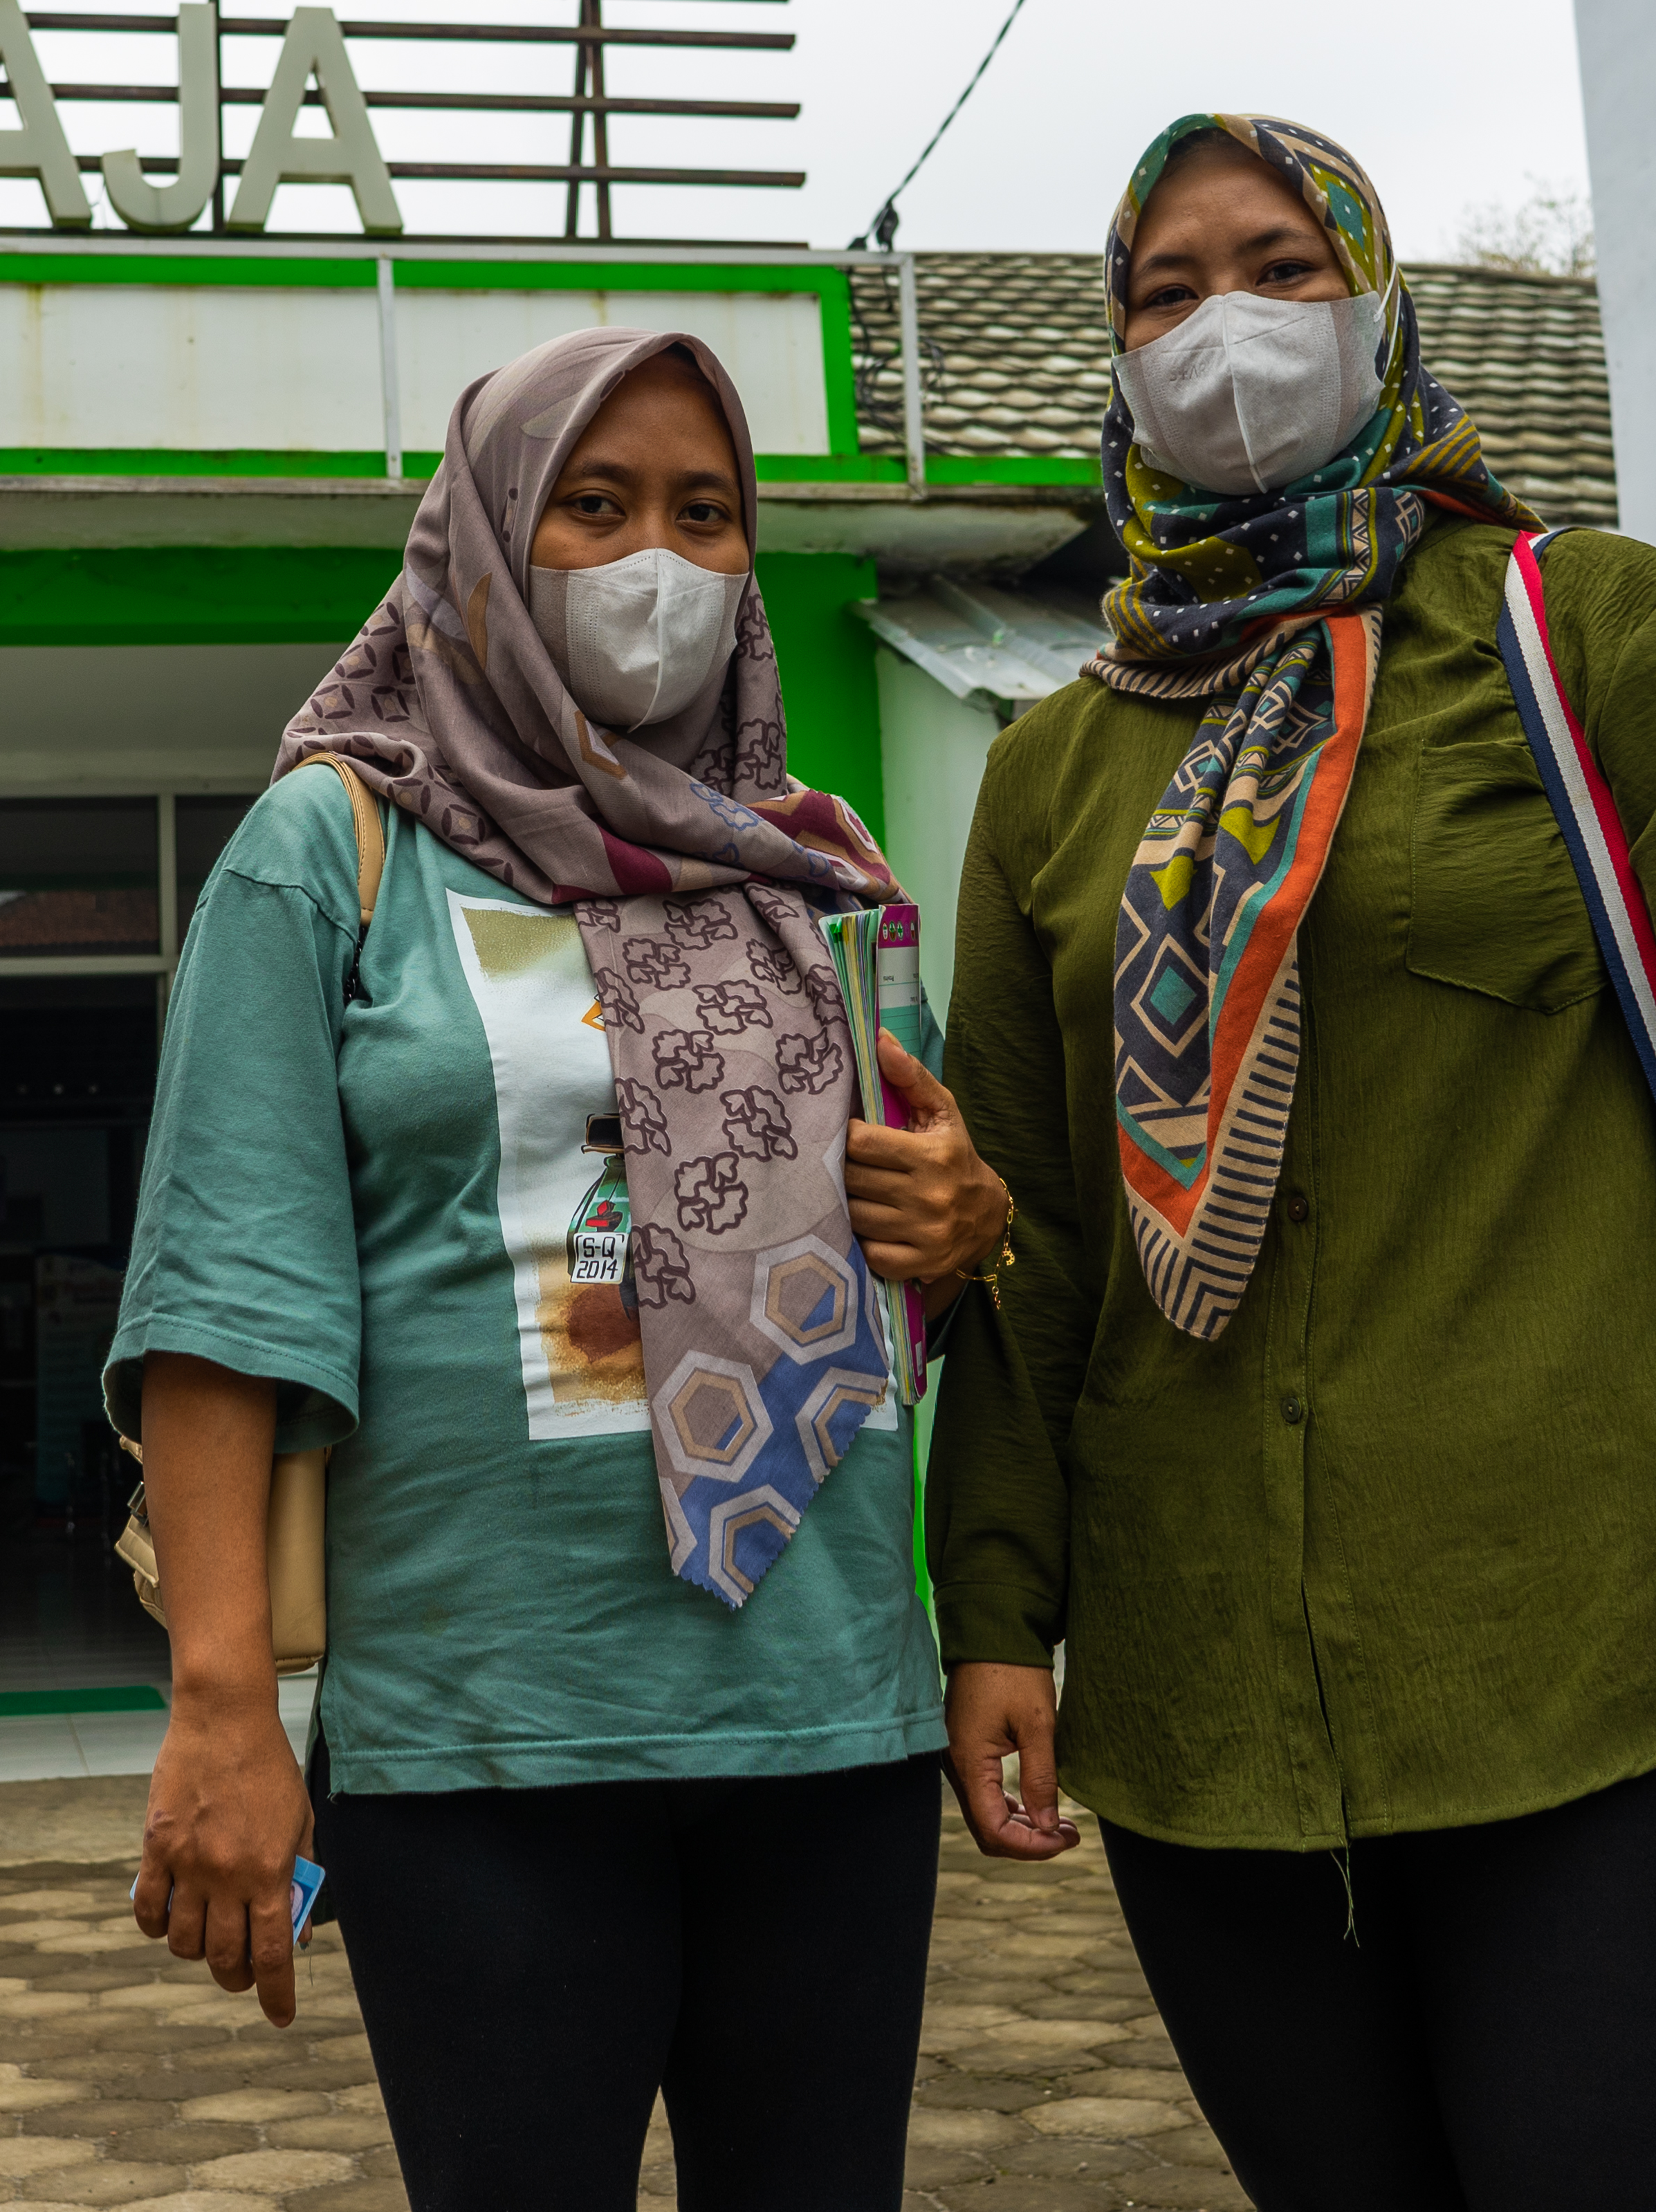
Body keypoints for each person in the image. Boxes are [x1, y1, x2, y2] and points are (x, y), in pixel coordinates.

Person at [929, 116, 1656, 2212]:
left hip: (1609, 1675)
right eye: (1162, 288)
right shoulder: (1052, 772)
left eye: (1279, 266)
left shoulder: (1588, 633)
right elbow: (1030, 1233)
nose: (1220, 320)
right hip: (1204, 1712)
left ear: (1380, 302)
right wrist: (991, 1605)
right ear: (1113, 353)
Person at [111, 328, 1013, 2211]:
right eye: (593, 509)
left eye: (707, 514)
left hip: (827, 1712)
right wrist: (222, 1710)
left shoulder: (807, 878)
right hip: (482, 1740)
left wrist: (963, 1225)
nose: (655, 562)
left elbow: (903, 1253)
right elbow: (227, 1298)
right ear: (487, 538)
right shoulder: (334, 847)